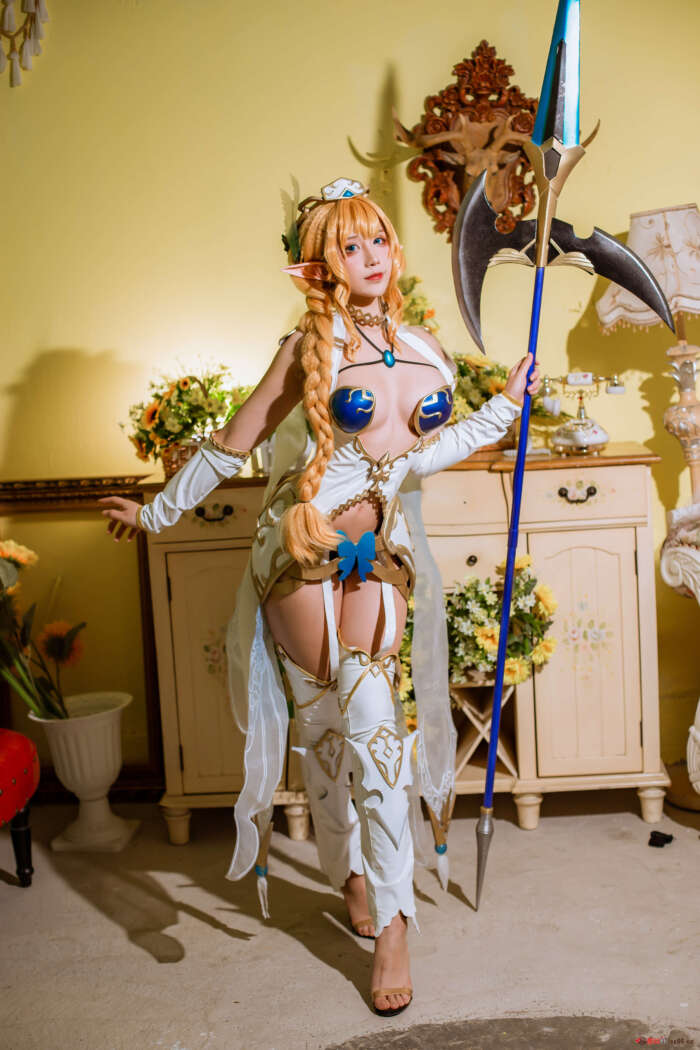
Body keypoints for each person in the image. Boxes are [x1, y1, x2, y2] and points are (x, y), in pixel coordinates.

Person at [98, 176, 541, 1017]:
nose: (369, 256)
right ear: (318, 267)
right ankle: (349, 875)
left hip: (380, 558)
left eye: (377, 239)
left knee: (375, 732)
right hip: (300, 555)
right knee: (329, 737)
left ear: (394, 250)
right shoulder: (304, 348)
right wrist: (155, 513)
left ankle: (394, 921)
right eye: (348, 245)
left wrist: (506, 407)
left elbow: (422, 456)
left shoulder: (426, 350)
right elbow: (234, 441)